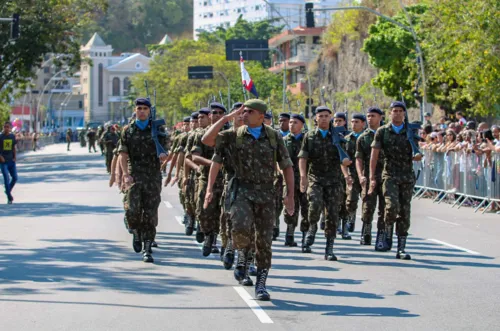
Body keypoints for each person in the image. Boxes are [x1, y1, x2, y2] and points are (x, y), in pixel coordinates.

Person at [204, 99, 294, 301]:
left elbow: (287, 165)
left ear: (261, 116)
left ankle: (261, 284)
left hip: (266, 193)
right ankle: (242, 254)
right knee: (240, 227)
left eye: (248, 112)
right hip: (242, 189)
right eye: (242, 111)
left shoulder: (274, 137)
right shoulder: (233, 135)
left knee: (264, 240)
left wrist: (290, 195)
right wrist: (226, 118)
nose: (243, 114)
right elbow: (207, 140)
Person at [369, 101, 422, 259]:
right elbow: (374, 155)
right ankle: (387, 230)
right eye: (394, 111)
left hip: (406, 176)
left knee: (404, 211)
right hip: (390, 175)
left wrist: (418, 155)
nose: (397, 113)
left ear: (404, 114)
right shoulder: (382, 131)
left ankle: (401, 248)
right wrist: (372, 176)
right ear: (390, 113)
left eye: (400, 111)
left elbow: (416, 150)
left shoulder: (411, 131)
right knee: (391, 207)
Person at [118, 98, 168, 263]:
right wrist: (125, 174)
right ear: (135, 110)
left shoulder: (158, 129)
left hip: (153, 176)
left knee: (150, 212)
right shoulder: (128, 131)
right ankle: (136, 231)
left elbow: (166, 151)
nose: (141, 111)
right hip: (135, 175)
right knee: (132, 210)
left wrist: (163, 156)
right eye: (139, 108)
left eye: (145, 109)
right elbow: (123, 155)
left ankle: (147, 248)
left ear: (149, 111)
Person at [299, 106, 351, 260]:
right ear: (316, 118)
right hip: (315, 178)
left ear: (331, 118)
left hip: (334, 180)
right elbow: (303, 158)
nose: (323, 118)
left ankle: (329, 248)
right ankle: (312, 227)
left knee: (332, 215)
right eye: (320, 116)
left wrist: (346, 168)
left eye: (326, 116)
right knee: (314, 206)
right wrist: (303, 176)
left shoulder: (339, 136)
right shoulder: (309, 136)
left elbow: (344, 157)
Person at [191, 103, 226, 256]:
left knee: (223, 213)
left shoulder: (230, 134)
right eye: (214, 113)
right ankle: (208, 234)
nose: (217, 115)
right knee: (204, 211)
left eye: (220, 113)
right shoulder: (202, 135)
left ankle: (217, 239)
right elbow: (195, 156)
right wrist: (213, 163)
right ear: (210, 115)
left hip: (225, 180)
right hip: (206, 178)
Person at [355, 107, 386, 249]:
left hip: (386, 176)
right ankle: (366, 230)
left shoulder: (386, 134)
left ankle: (381, 234)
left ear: (380, 117)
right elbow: (358, 158)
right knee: (367, 207)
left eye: (373, 116)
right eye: (368, 116)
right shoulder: (363, 137)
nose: (369, 118)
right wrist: (361, 175)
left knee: (384, 208)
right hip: (369, 177)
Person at [282, 114, 309, 250]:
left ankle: (305, 237)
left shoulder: (307, 139)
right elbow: (278, 160)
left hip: (305, 179)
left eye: (295, 122)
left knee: (307, 208)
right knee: (290, 208)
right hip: (289, 179)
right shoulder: (284, 140)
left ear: (302, 125)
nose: (291, 125)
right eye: (290, 122)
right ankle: (290, 235)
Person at [344, 113, 366, 234]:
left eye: (357, 122)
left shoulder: (368, 137)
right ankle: (351, 218)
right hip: (352, 172)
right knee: (351, 200)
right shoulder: (347, 139)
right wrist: (346, 175)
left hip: (365, 173)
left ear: (363, 123)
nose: (354, 124)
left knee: (367, 201)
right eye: (352, 122)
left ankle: (365, 225)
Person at [273, 112, 291, 240]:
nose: (281, 123)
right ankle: (275, 224)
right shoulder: (274, 135)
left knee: (288, 200)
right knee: (275, 201)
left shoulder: (295, 137)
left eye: (284, 120)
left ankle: (290, 230)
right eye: (280, 120)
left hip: (290, 173)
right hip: (277, 175)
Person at [0, 122, 18, 204]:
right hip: (3, 162)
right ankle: (9, 197)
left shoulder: (12, 136)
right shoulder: (0, 136)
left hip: (11, 161)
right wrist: (1, 157)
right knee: (6, 179)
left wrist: (15, 157)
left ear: (10, 128)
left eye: (8, 127)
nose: (6, 128)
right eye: (5, 127)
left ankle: (7, 191)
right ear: (3, 127)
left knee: (15, 178)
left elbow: (14, 147)